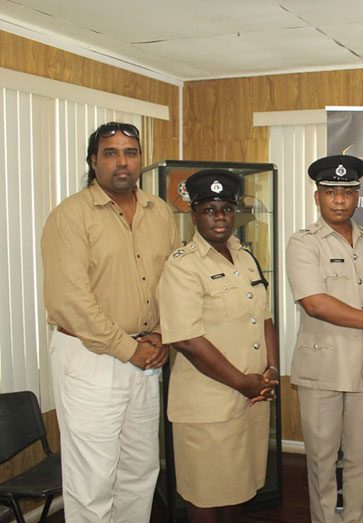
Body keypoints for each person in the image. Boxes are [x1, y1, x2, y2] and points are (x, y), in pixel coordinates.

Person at [41, 121, 177, 521]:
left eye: (130, 153)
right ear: (93, 161)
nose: (122, 162)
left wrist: (162, 335)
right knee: (93, 478)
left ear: (140, 161)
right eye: (111, 152)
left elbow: (174, 281)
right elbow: (71, 301)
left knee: (140, 470)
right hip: (91, 355)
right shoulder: (70, 216)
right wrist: (129, 348)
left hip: (146, 355)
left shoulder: (160, 211)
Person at [286, 154, 363, 523]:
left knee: (360, 458)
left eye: (347, 191)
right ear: (317, 197)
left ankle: (355, 519)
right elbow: (315, 303)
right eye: (330, 192)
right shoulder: (303, 243)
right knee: (322, 462)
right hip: (323, 367)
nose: (339, 199)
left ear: (357, 196)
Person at [157, 169, 279, 522]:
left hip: (253, 396)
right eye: (209, 209)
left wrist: (270, 370)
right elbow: (188, 340)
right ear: (194, 215)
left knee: (240, 486)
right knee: (208, 494)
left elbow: (265, 318)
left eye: (225, 208)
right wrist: (242, 382)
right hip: (209, 403)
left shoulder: (244, 256)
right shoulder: (183, 267)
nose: (219, 217)